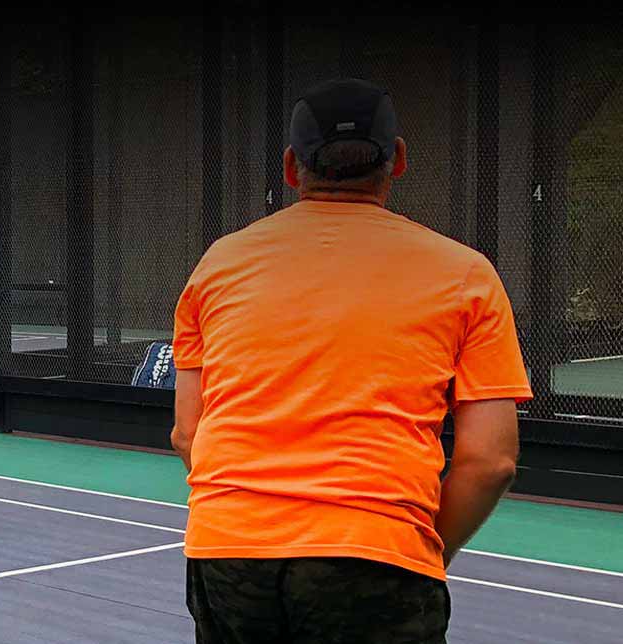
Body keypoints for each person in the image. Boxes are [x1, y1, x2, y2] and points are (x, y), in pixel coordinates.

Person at [171, 78, 529, 643]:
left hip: (227, 553)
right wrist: (416, 547)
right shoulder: (467, 275)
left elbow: (189, 434)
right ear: (399, 160)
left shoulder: (217, 266)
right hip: (380, 555)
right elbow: (491, 461)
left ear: (291, 167)